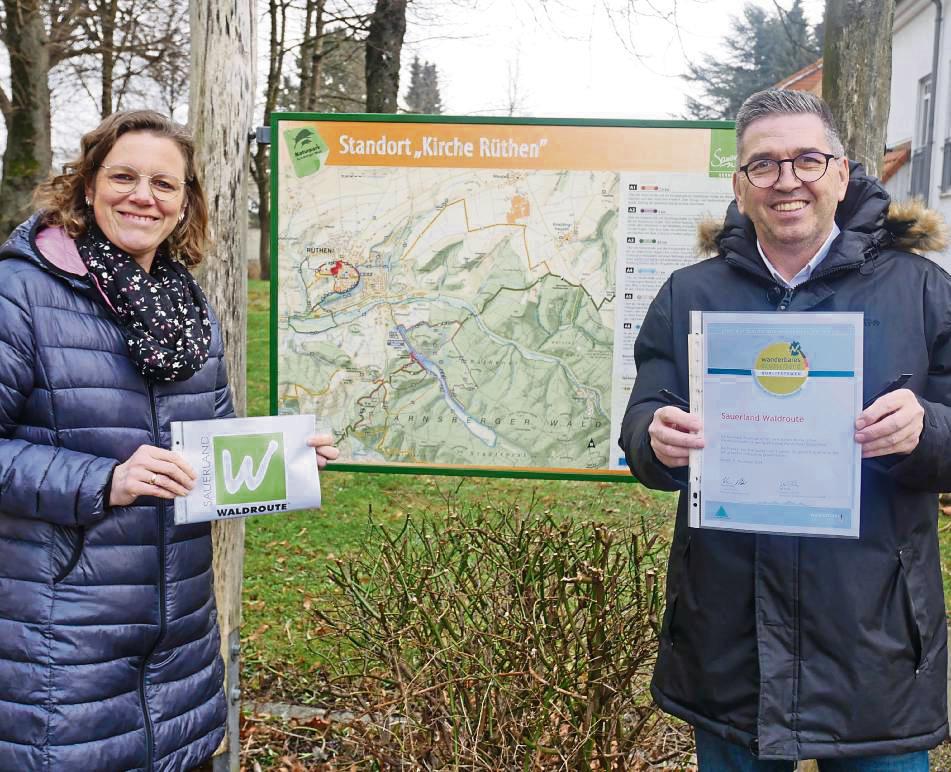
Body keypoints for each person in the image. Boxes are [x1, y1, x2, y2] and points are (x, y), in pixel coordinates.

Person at [620, 88, 951, 770]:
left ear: (839, 171)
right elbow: (642, 420)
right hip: (729, 638)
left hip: (874, 641)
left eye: (806, 159)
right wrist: (654, 437)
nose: (786, 181)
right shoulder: (691, 294)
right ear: (740, 186)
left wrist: (928, 431)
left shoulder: (921, 289)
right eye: (763, 165)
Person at [0, 110, 339, 771]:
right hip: (60, 645)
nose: (142, 196)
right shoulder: (20, 293)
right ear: (87, 185)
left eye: (164, 183)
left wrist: (285, 459)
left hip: (179, 640)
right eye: (123, 176)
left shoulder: (186, 306)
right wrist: (103, 480)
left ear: (185, 203)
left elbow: (204, 446)